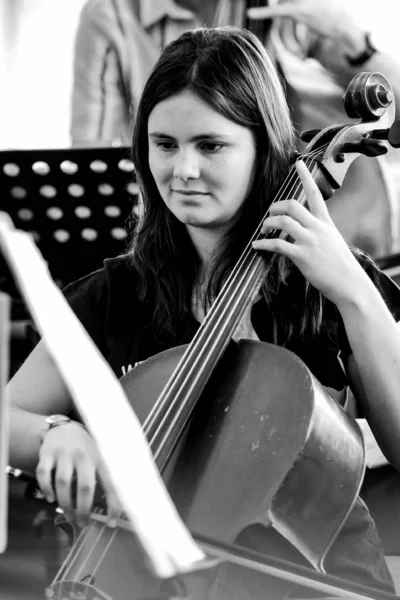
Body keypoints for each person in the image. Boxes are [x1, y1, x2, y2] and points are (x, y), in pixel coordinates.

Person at [9, 26, 400, 599]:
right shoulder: (119, 292)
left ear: (263, 146)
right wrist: (56, 434)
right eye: (164, 144)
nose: (182, 170)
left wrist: (358, 297)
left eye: (210, 146)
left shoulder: (333, 288)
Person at [70, 0, 400, 258]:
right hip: (182, 233)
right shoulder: (110, 15)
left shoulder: (284, 9)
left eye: (211, 144)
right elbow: (91, 156)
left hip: (331, 222)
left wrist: (351, 39)